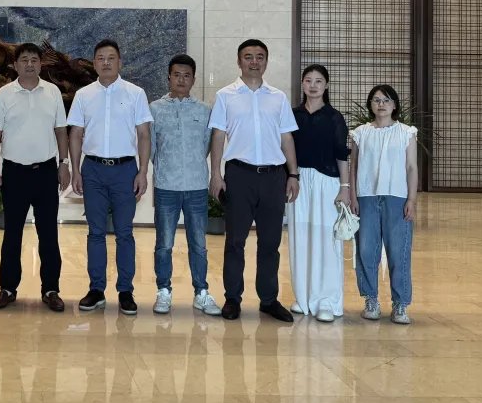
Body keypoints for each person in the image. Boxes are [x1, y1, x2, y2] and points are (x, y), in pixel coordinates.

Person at [209, 39, 299, 322]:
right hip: (239, 176)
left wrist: (293, 174)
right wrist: (215, 174)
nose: (254, 61)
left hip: (273, 177)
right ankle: (232, 298)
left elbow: (287, 138)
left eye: (260, 57)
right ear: (239, 62)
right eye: (248, 57)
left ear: (266, 62)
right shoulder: (225, 96)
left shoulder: (278, 97)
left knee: (270, 242)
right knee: (235, 241)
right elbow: (218, 137)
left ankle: (268, 300)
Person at [68, 39, 152, 316]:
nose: (106, 62)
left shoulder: (136, 93)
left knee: (125, 232)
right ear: (94, 63)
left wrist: (142, 171)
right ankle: (96, 289)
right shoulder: (83, 95)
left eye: (111, 58)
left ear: (120, 63)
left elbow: (143, 135)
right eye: (101, 58)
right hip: (92, 170)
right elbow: (76, 134)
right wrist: (76, 170)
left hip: (125, 170)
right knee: (96, 232)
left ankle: (125, 290)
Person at [0, 43, 70, 313]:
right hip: (14, 173)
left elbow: (61, 130)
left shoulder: (52, 92)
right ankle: (8, 289)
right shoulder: (4, 94)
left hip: (46, 172)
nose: (30, 64)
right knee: (12, 234)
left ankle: (51, 289)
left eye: (34, 59)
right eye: (24, 60)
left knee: (49, 234)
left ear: (41, 64)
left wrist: (64, 163)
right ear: (15, 65)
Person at [149, 53, 220, 316]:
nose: (181, 79)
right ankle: (163, 291)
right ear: (169, 77)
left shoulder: (204, 110)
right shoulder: (154, 109)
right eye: (176, 75)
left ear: (193, 79)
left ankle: (201, 292)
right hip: (166, 186)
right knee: (164, 244)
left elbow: (207, 146)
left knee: (198, 244)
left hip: (196, 186)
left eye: (186, 75)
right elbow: (152, 148)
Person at [349, 84, 418, 325]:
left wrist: (411, 199)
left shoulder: (406, 133)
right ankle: (371, 300)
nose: (381, 104)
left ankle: (400, 304)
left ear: (394, 105)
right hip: (366, 197)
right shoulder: (360, 133)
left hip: (397, 198)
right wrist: (353, 197)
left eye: (386, 100)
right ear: (370, 104)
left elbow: (411, 167)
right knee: (366, 250)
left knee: (399, 252)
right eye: (376, 100)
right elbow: (353, 168)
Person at [288, 64, 350, 322]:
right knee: (300, 237)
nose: (313, 86)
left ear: (326, 85)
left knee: (327, 240)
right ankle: (303, 297)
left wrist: (345, 188)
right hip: (299, 181)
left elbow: (341, 154)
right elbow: (286, 149)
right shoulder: (292, 115)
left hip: (328, 183)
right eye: (308, 80)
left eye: (318, 81)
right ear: (302, 84)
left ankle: (327, 300)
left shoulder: (334, 117)